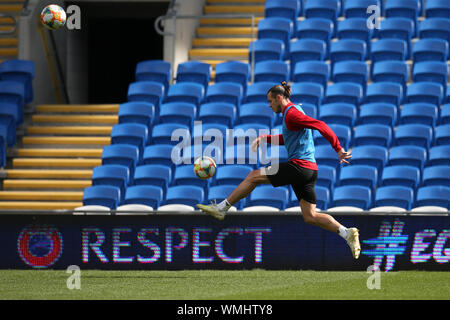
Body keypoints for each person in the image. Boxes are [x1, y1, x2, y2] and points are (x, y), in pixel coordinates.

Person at [196, 81, 361, 259]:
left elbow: (320, 125)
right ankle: (347, 233)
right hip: (310, 170)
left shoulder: (292, 114)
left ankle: (222, 208)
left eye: (271, 101)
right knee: (310, 216)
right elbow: (289, 137)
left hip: (299, 166)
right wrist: (266, 138)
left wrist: (338, 149)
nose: (269, 105)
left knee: (253, 176)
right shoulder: (294, 112)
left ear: (279, 98)